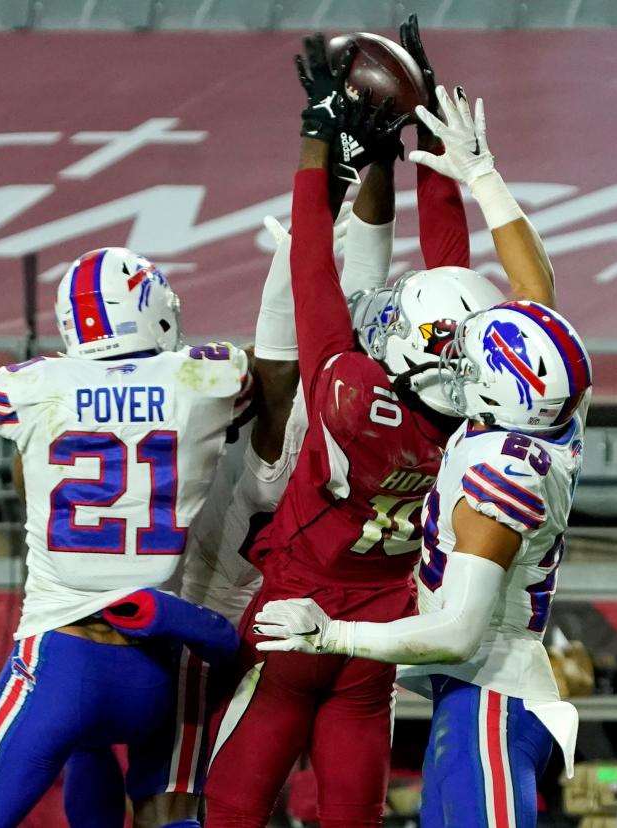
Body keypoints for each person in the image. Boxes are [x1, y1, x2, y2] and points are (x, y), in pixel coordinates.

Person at [202, 27, 562, 828]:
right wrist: (436, 163)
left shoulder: (348, 389)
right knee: (354, 812)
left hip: (296, 612)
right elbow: (450, 262)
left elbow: (311, 267)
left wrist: (318, 134)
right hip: (386, 625)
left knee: (230, 804)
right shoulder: (482, 419)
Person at [256, 295, 589, 828]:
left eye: (469, 364)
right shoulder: (554, 422)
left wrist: (333, 636)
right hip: (480, 700)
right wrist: (493, 205)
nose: (455, 369)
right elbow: (539, 290)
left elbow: (458, 632)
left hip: (490, 705)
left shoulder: (498, 488)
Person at [0, 248, 245, 828]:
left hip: (61, 656)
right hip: (158, 663)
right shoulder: (204, 376)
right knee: (170, 809)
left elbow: (29, 478)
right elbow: (268, 375)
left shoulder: (31, 385)